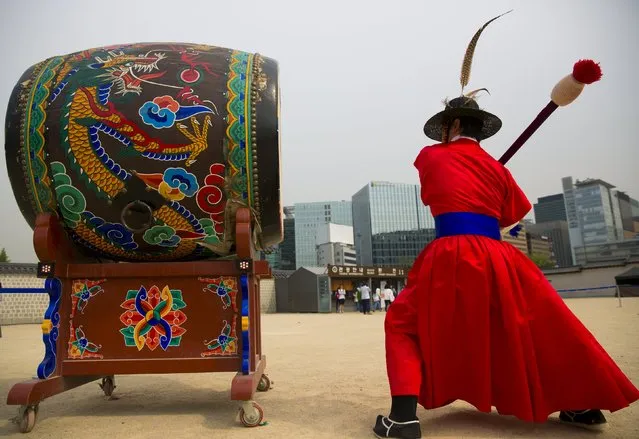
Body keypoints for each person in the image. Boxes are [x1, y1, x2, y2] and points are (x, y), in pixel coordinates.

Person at [372, 15, 639, 439]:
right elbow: (513, 212)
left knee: (402, 324)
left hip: (450, 250)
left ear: (454, 126)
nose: (441, 133)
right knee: (535, 320)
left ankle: (402, 418)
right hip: (496, 254)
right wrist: (485, 176)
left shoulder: (430, 156)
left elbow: (432, 195)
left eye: (445, 127)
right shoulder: (497, 171)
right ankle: (580, 402)